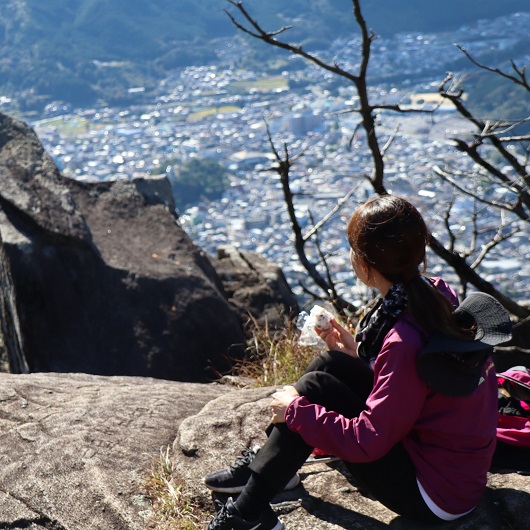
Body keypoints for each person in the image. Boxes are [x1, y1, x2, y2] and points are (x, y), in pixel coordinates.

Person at [203, 195, 510, 530]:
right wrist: (360, 357)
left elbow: (368, 441)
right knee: (330, 364)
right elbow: (420, 387)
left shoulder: (403, 341)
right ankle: (277, 465)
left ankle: (248, 513)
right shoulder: (433, 293)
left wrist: (295, 412)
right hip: (447, 467)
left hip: (434, 496)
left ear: (364, 264)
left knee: (315, 392)